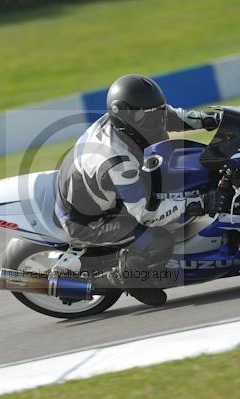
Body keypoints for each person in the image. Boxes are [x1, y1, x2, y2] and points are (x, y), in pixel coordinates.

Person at [55, 74, 225, 306]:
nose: (157, 122)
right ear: (123, 116)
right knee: (158, 240)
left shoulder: (132, 122)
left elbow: (173, 117)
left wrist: (213, 119)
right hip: (88, 221)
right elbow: (146, 214)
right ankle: (130, 278)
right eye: (147, 117)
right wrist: (200, 203)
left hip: (94, 190)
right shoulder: (117, 160)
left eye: (158, 112)